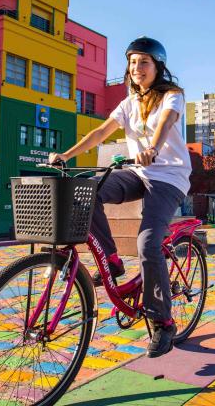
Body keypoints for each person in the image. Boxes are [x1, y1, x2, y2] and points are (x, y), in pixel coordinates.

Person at [48, 36, 190, 358]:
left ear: (157, 67)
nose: (136, 67)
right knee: (85, 192)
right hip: (138, 173)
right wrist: (66, 156)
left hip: (169, 177)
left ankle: (163, 321)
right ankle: (111, 261)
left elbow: (167, 121)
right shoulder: (128, 103)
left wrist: (153, 147)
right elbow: (99, 133)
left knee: (147, 243)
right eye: (132, 62)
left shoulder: (172, 96)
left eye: (144, 62)